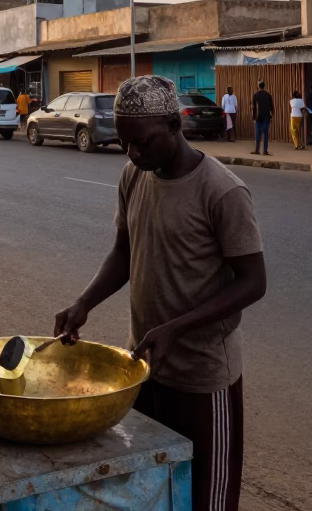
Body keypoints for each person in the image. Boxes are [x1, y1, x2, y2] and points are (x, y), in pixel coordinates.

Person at [54, 75, 265, 511]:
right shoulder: (134, 174)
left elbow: (253, 282)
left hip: (203, 376)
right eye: (125, 142)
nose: (133, 152)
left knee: (209, 497)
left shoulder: (222, 191)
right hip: (146, 367)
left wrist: (177, 328)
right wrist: (83, 303)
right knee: (156, 491)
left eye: (143, 142)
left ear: (174, 124)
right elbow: (124, 250)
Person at [250, 80, 274, 156]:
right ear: (264, 86)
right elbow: (271, 107)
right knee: (265, 135)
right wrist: (272, 116)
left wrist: (253, 116)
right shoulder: (268, 95)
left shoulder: (256, 94)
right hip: (266, 117)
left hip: (258, 117)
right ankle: (265, 151)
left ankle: (257, 150)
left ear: (258, 86)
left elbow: (253, 107)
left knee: (258, 134)